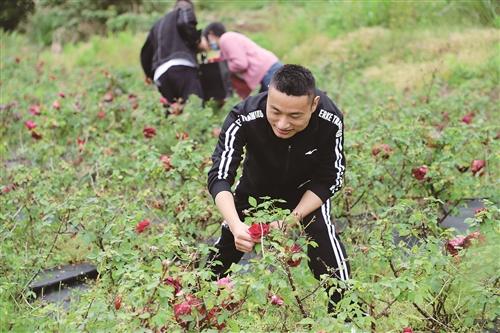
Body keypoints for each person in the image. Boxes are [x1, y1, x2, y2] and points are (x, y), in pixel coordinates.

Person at [206, 64, 349, 313]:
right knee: (221, 258)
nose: (283, 124)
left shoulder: (329, 119)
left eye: (295, 116)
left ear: (313, 105)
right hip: (255, 189)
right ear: (268, 94)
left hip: (305, 193)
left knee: (323, 239)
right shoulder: (244, 115)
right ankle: (202, 308)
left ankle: (346, 316)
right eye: (275, 111)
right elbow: (220, 176)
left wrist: (289, 221)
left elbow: (330, 177)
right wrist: (236, 224)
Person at [140, 0, 203, 107]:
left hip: (160, 74)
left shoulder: (156, 25)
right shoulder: (184, 10)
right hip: (183, 67)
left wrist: (149, 75)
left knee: (171, 116)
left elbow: (145, 54)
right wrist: (195, 41)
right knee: (195, 108)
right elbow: (185, 22)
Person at [202, 22, 283, 97]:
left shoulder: (226, 38)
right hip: (266, 71)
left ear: (211, 34)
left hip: (268, 71)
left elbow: (240, 63)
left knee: (281, 102)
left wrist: (224, 68)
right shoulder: (225, 46)